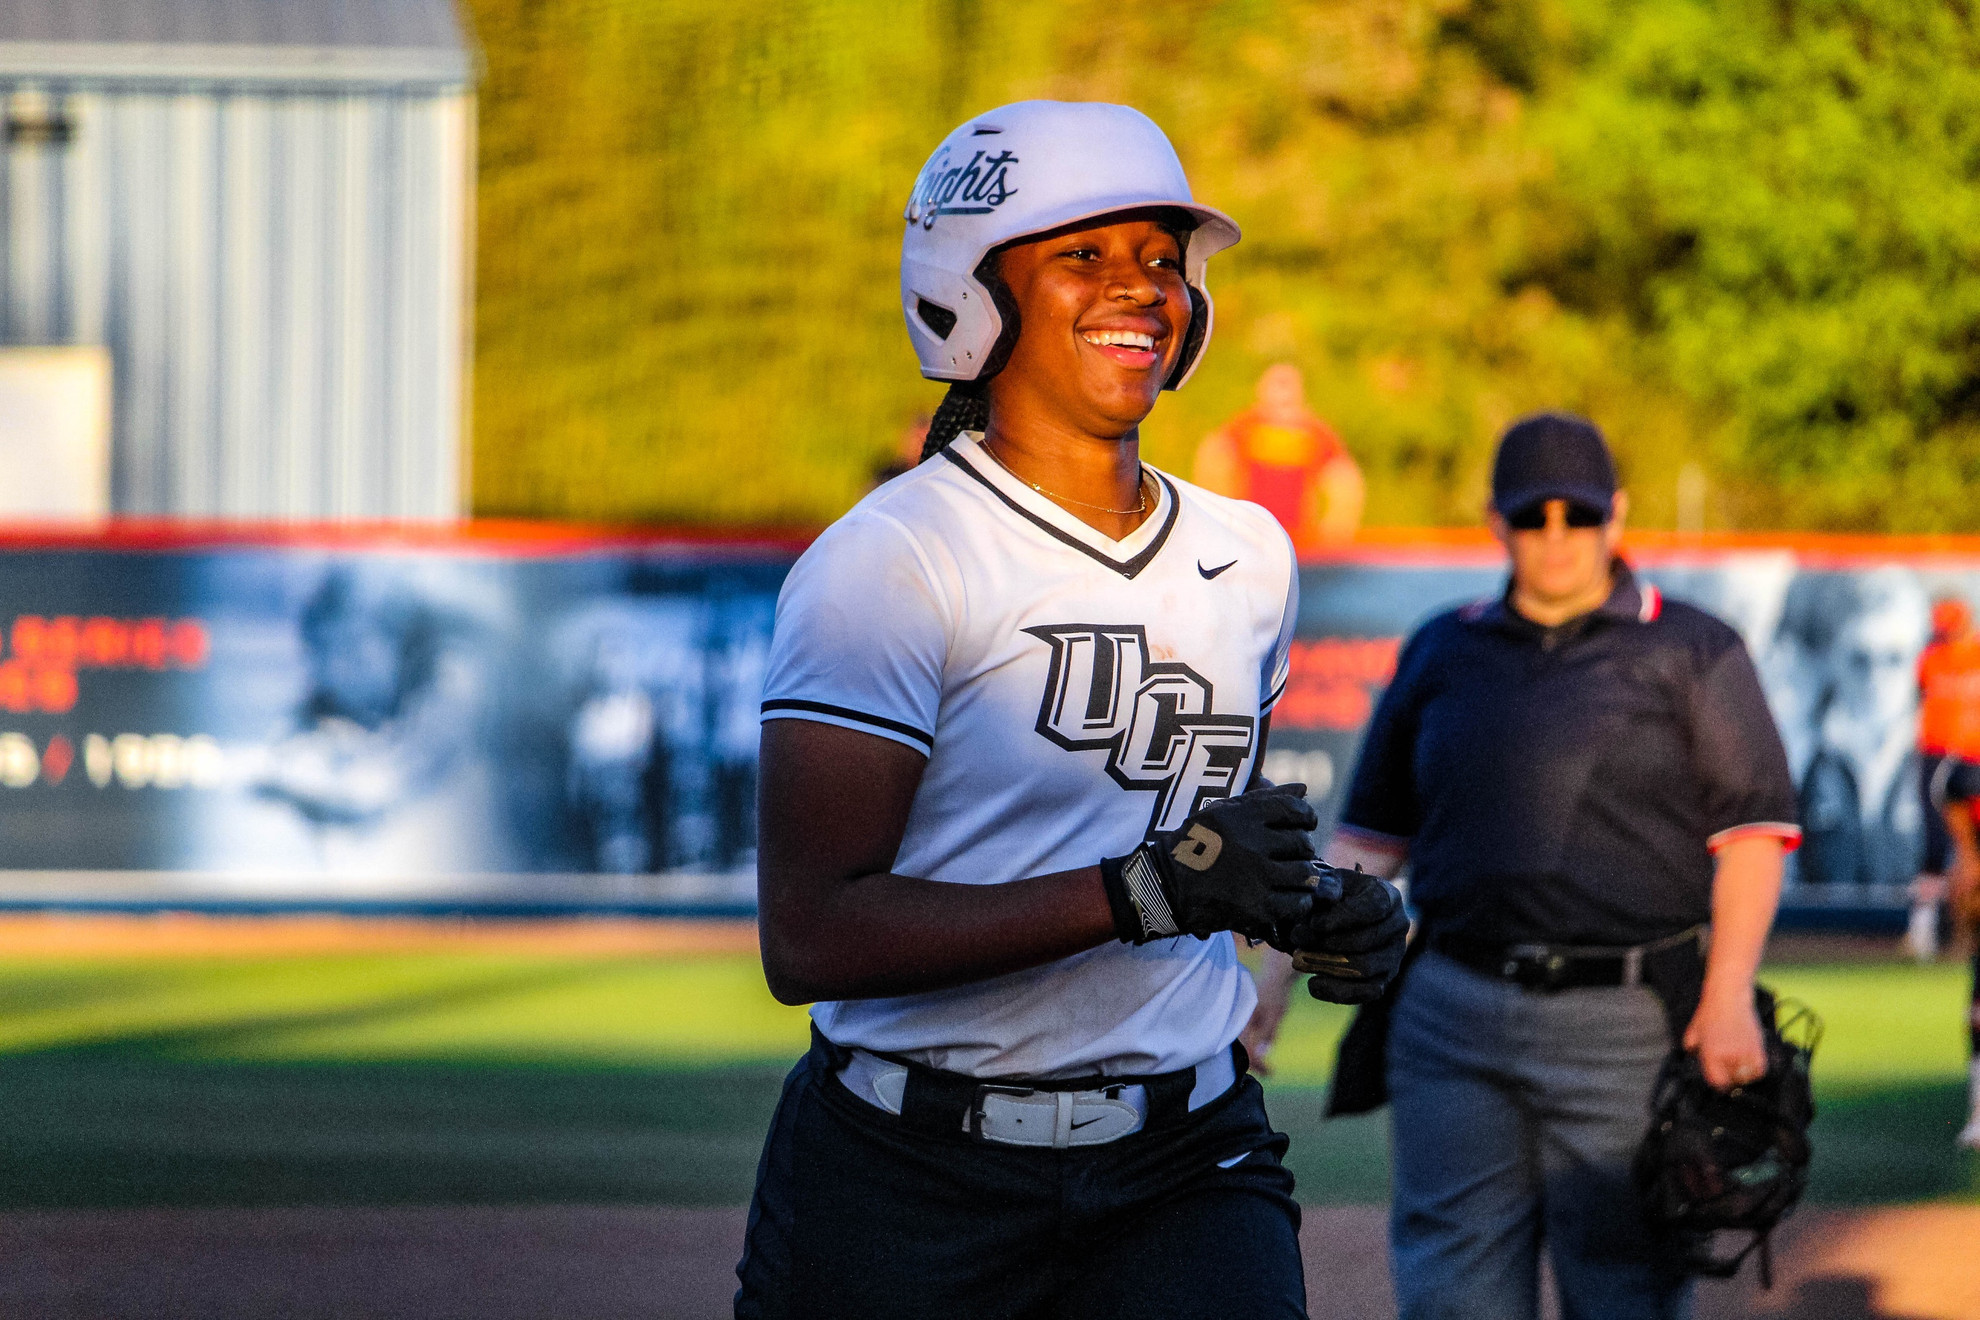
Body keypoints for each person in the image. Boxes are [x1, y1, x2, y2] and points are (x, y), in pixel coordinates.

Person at [733, 100, 1407, 1319]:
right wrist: (1145, 893)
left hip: (1187, 1160)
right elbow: (812, 935)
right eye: (1083, 255)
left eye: (1161, 258)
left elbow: (1206, 844)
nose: (1139, 287)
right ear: (970, 288)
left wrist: (1309, 912)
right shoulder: (891, 559)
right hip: (909, 1175)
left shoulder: (1246, 550)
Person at [1246, 413, 1801, 1320]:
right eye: (1532, 515)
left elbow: (1753, 834)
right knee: (1450, 1295)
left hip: (1629, 1022)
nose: (1554, 535)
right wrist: (1271, 984)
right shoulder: (1443, 647)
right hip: (1451, 1015)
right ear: (1495, 520)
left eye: (1575, 516)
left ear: (1616, 517)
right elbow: (1368, 843)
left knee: (1627, 1289)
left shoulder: (1691, 647)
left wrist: (1731, 991)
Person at [1193, 363, 1364, 553]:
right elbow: (1213, 460)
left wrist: (1335, 531)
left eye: (1287, 385)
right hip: (1251, 535)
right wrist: (1222, 518)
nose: (1282, 393)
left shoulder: (1315, 434)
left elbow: (1345, 483)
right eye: (1277, 384)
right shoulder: (1245, 428)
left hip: (1298, 542)